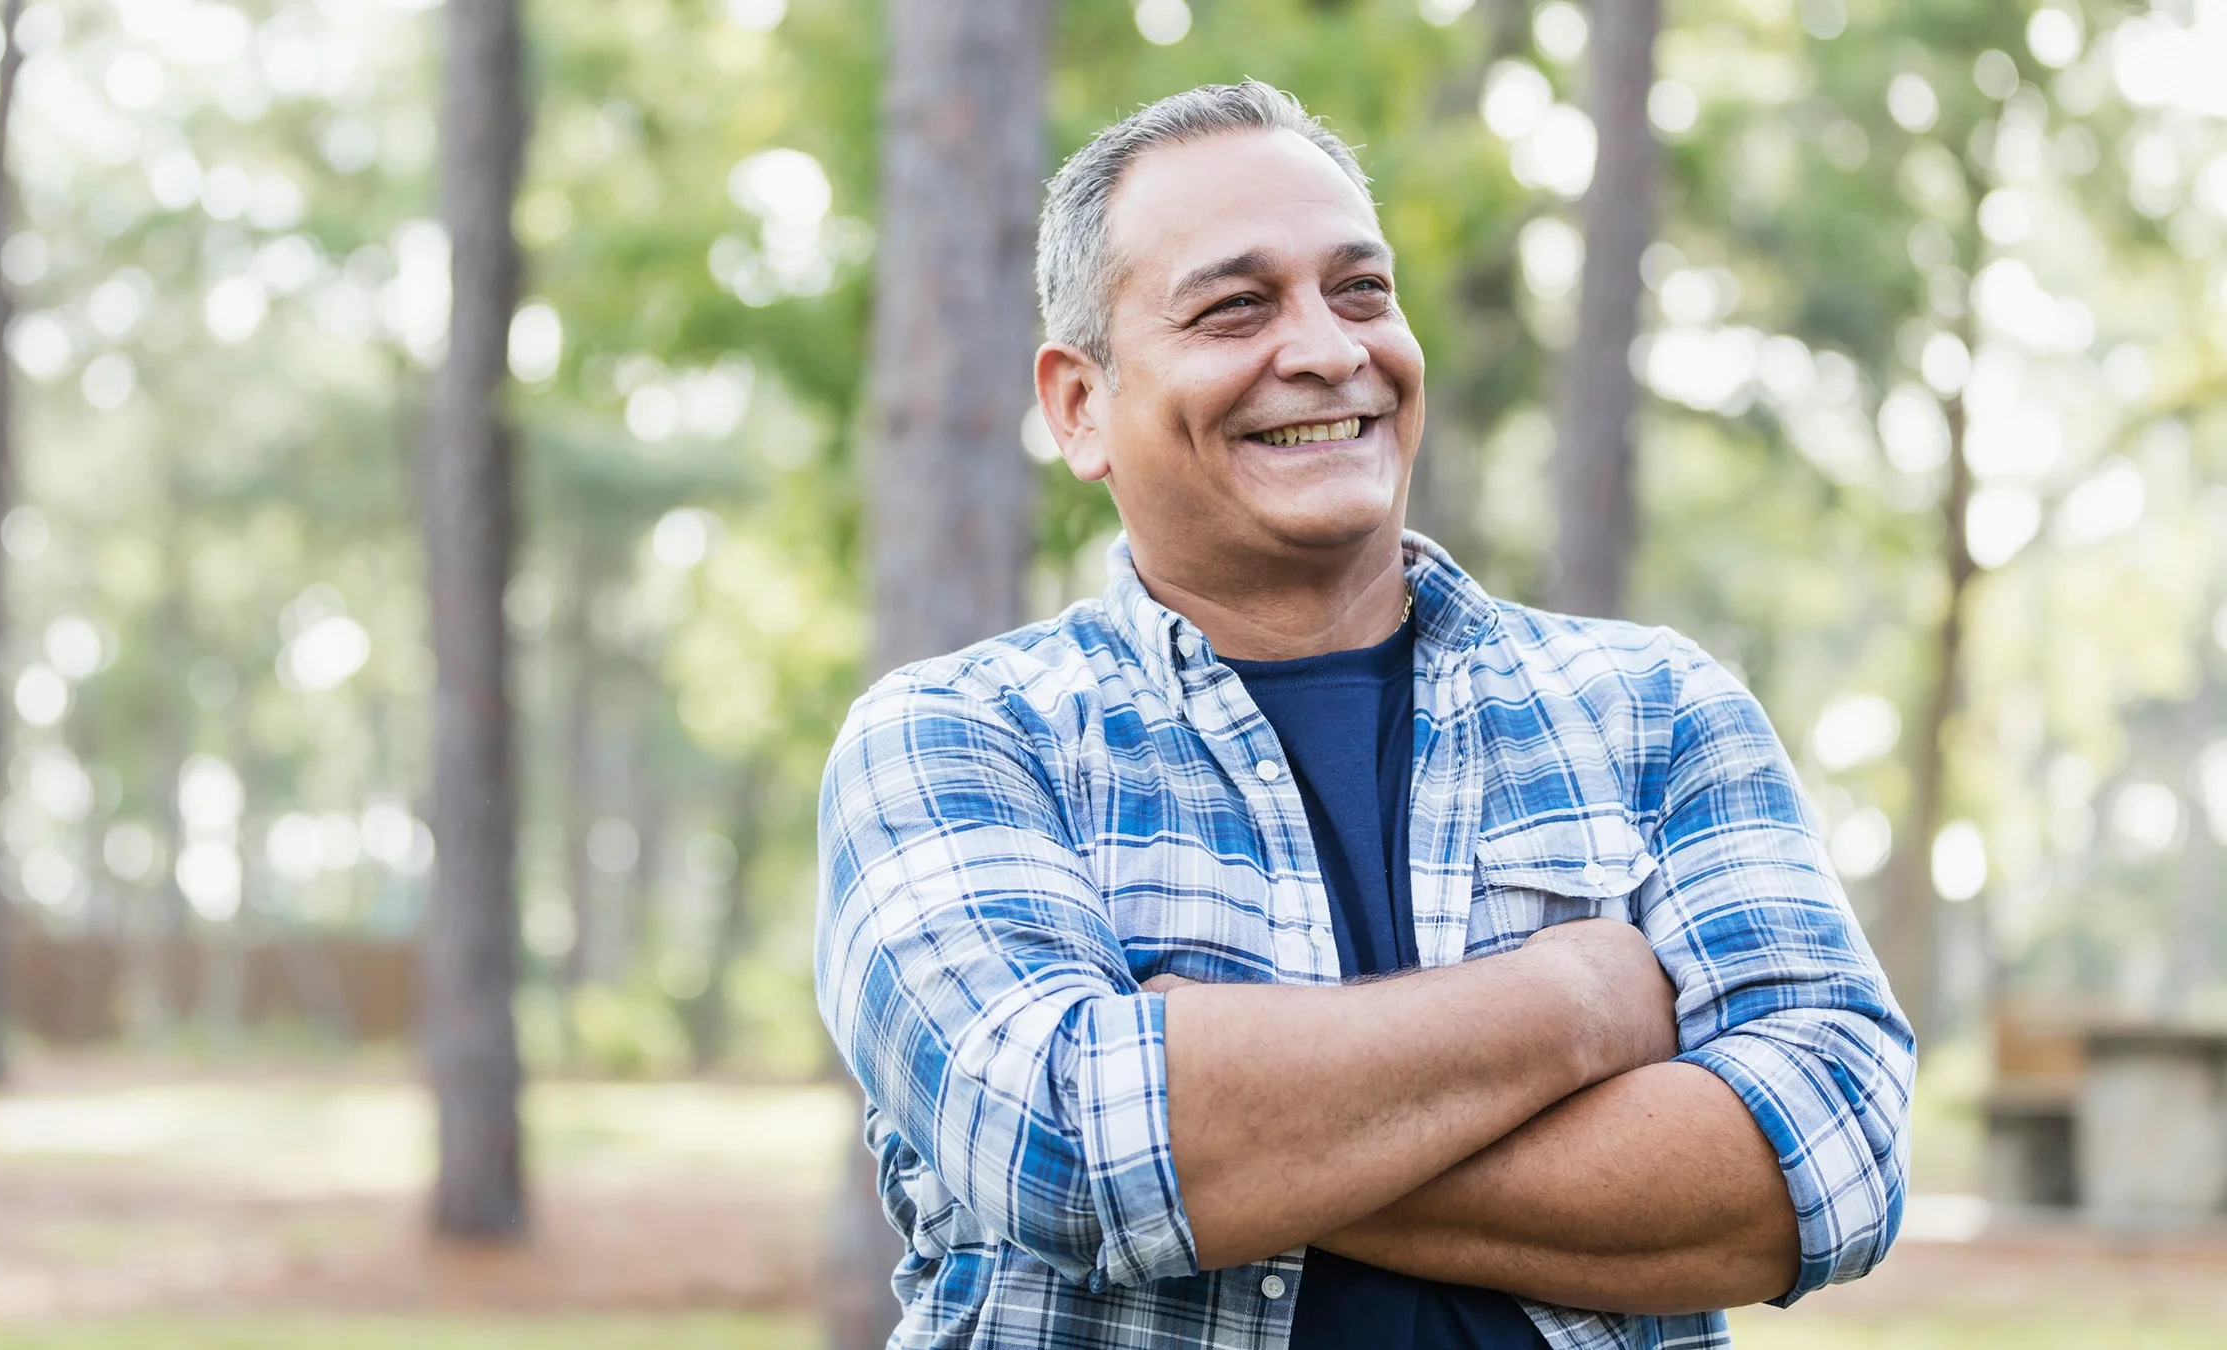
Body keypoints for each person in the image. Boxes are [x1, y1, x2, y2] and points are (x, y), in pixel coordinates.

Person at [815, 80, 1912, 1350]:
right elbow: (1062, 1143)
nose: (1331, 351)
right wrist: (1581, 1004)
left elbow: (1830, 1155)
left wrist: (1231, 1115)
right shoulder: (955, 738)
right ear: (1078, 407)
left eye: (1361, 292)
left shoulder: (1654, 716)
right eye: (1235, 306)